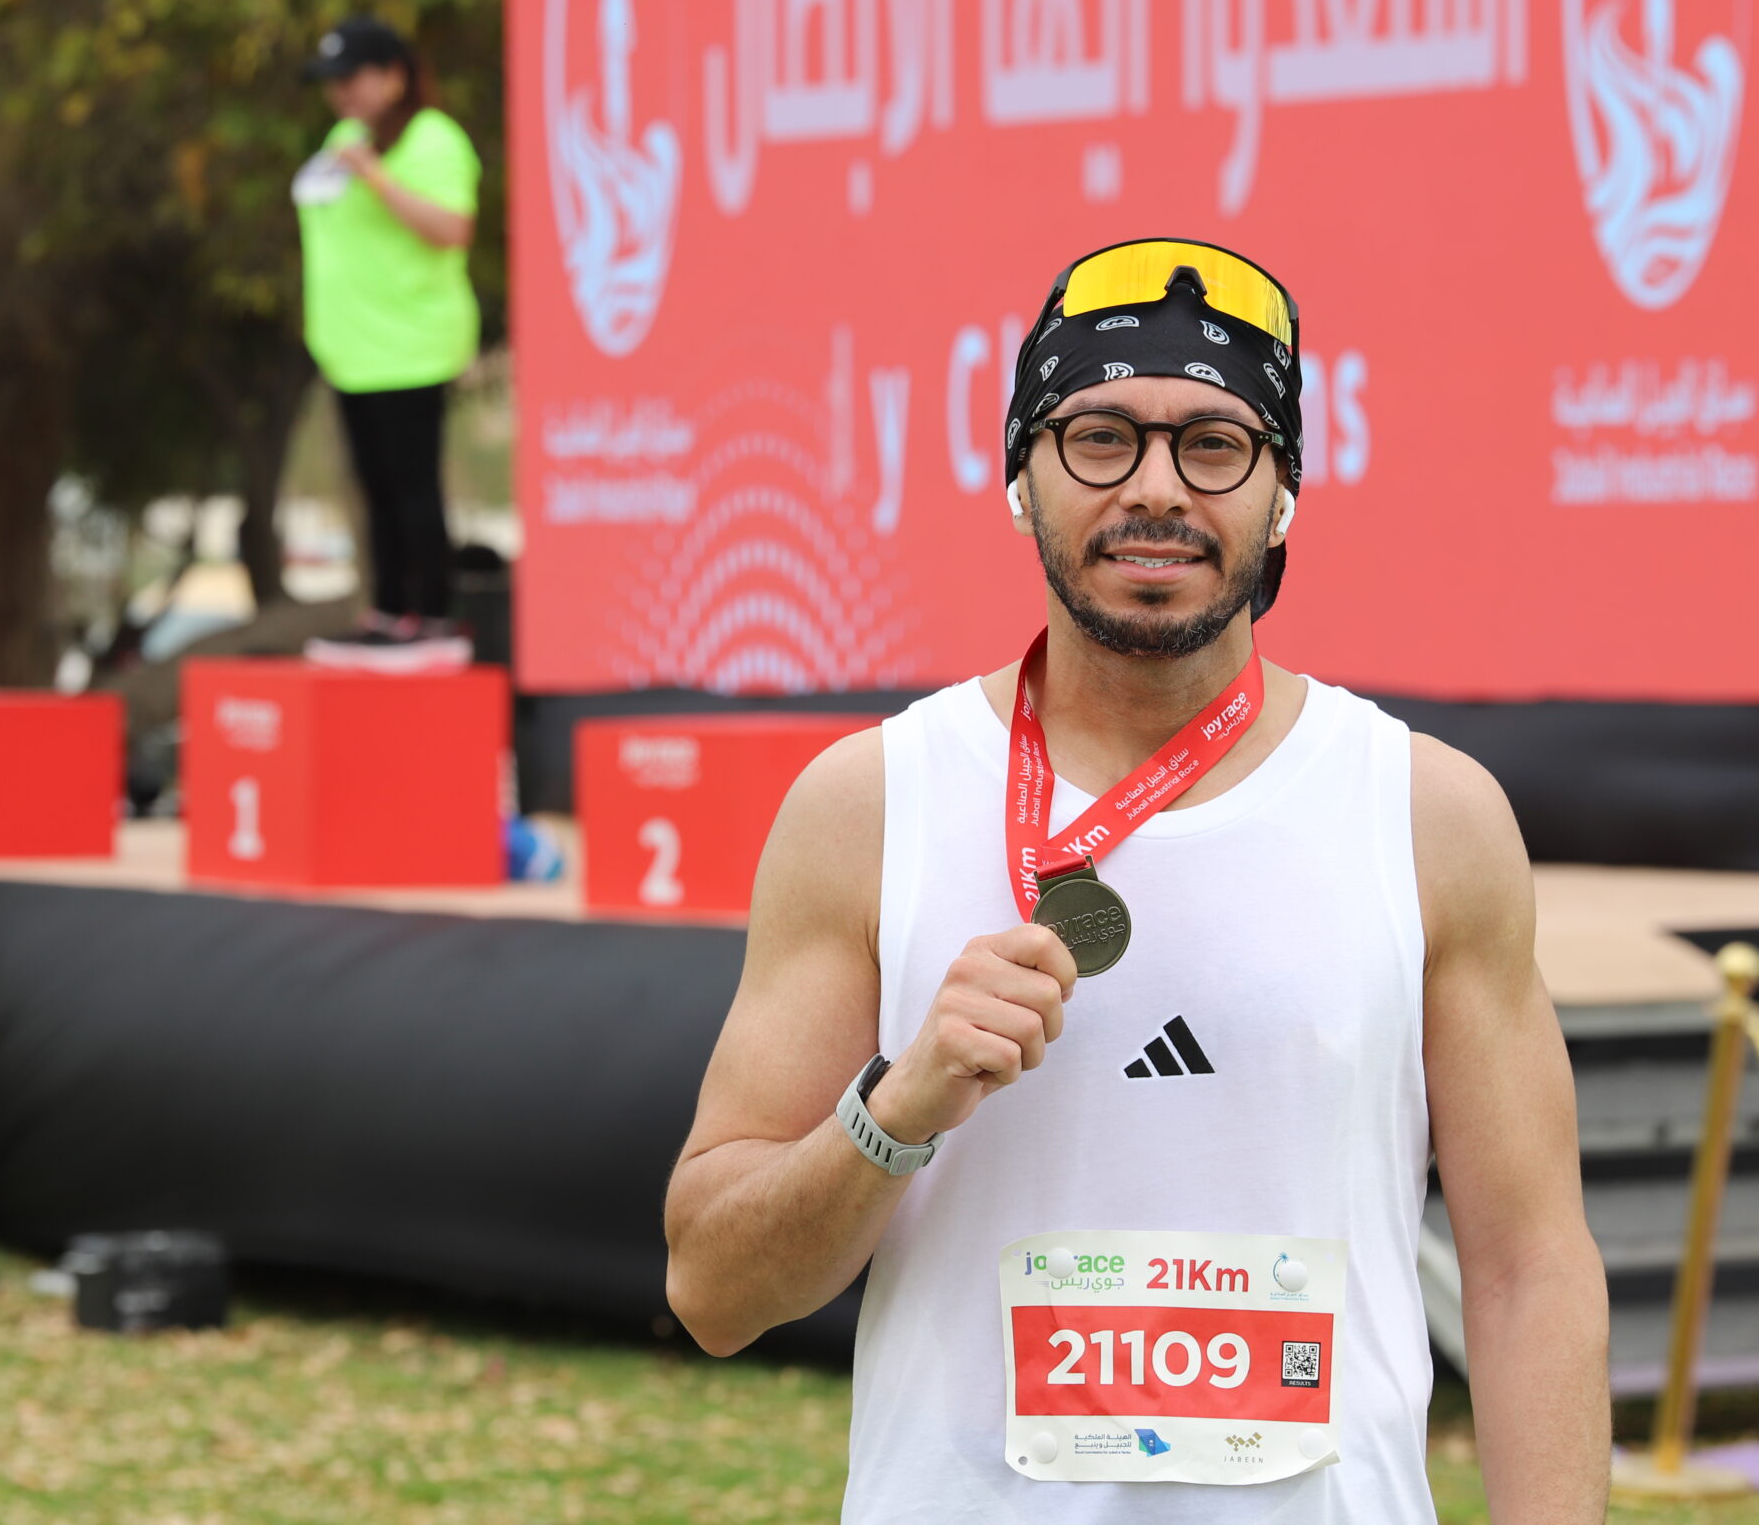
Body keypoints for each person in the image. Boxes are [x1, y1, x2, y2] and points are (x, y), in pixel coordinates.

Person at [664, 240, 1608, 1520]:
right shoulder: (870, 803)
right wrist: (897, 1108)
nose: (1155, 489)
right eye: (1099, 437)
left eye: (1214, 445)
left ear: (1283, 493)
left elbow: (1528, 1272)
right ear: (1020, 477)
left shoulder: (1426, 814)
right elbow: (712, 1292)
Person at [295, 13, 482, 670]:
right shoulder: (344, 138)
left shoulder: (434, 139)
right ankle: (386, 611)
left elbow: (451, 228)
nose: (341, 93)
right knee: (374, 489)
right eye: (333, 82)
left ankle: (431, 616)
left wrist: (375, 176)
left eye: (353, 78)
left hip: (412, 347)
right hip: (353, 349)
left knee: (414, 487)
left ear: (394, 77)